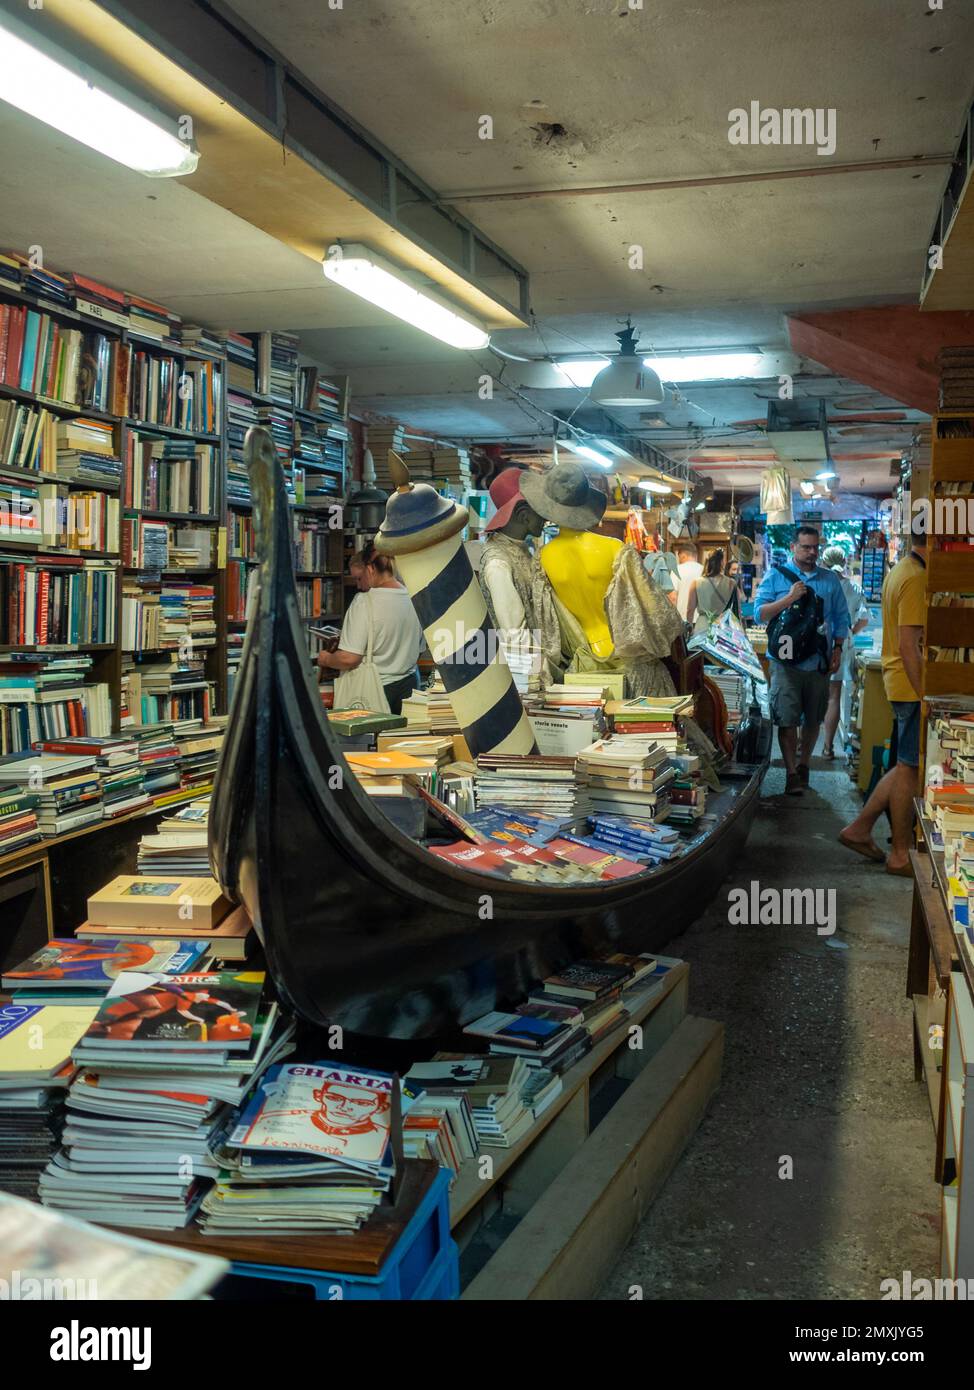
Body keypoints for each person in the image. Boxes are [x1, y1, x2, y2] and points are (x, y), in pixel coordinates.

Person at [838, 529, 926, 876]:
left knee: (906, 765)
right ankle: (900, 854)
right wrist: (926, 696)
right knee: (908, 769)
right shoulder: (916, 577)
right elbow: (909, 645)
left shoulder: (903, 569)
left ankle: (860, 828)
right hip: (910, 685)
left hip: (899, 682)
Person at [753, 526, 850, 795]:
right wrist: (789, 597)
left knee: (813, 720)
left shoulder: (829, 580)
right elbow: (759, 613)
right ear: (794, 547)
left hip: (817, 662)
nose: (812, 552)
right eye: (806, 547)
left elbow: (842, 618)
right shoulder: (776, 576)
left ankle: (805, 764)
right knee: (786, 719)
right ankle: (791, 773)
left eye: (815, 547)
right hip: (784, 664)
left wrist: (838, 649)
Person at [316, 544, 423, 714]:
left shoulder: (364, 602)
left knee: (370, 739)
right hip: (409, 687)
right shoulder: (414, 597)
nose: (359, 585)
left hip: (375, 690)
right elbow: (419, 649)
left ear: (370, 569)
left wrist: (326, 659)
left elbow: (349, 658)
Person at [820, 544, 870, 758]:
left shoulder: (818, 585)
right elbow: (864, 619)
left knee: (809, 695)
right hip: (842, 645)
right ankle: (828, 748)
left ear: (823, 562)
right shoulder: (854, 588)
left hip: (816, 643)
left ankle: (801, 746)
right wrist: (851, 630)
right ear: (844, 563)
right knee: (833, 697)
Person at [687, 549, 740, 634]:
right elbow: (737, 611)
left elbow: (690, 610)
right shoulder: (731, 583)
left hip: (702, 627)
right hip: (723, 627)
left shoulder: (696, 583)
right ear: (722, 562)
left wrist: (689, 629)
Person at [674, 541, 703, 620]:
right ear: (695, 556)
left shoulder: (677, 570)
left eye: (679, 559)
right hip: (702, 620)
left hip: (682, 618)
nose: (679, 561)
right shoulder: (704, 570)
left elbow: (673, 597)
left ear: (683, 556)